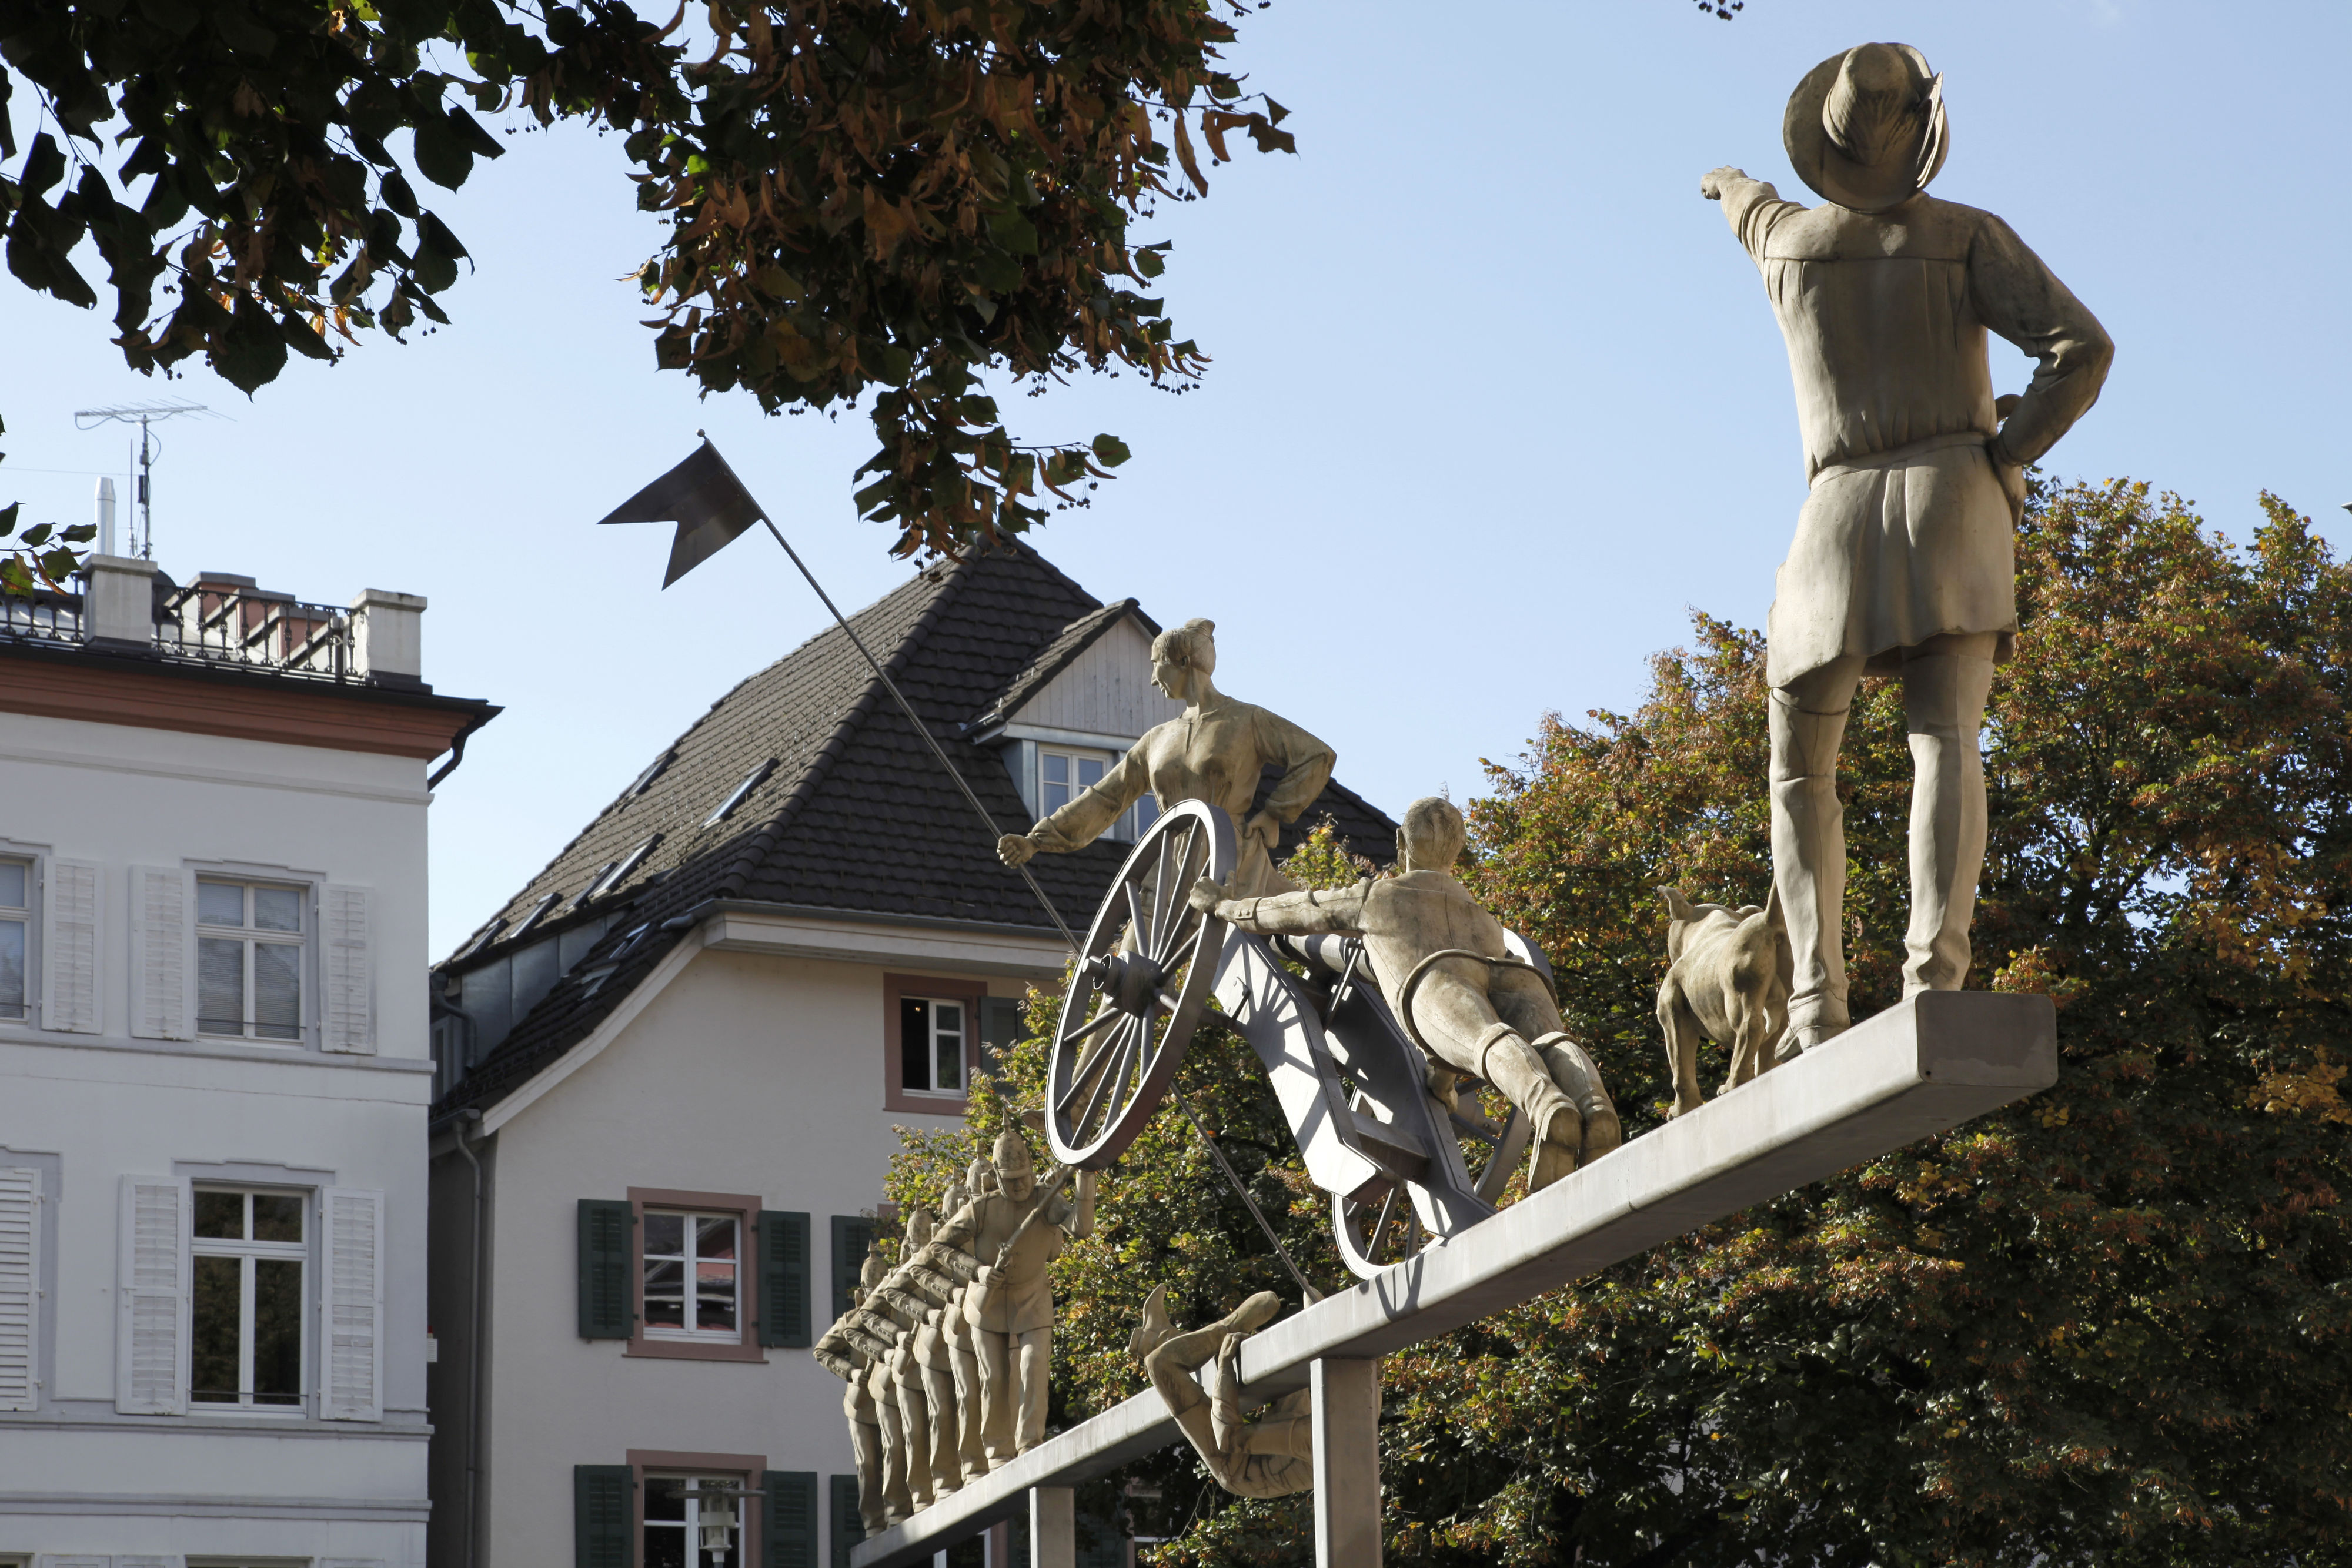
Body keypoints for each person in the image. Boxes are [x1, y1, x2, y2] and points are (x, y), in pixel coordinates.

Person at [1702, 43, 2111, 1055]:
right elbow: (2081, 350)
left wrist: (1726, 182)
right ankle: (1935, 971)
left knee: (1801, 772)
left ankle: (1814, 999)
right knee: (1945, 740)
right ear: (1923, 138)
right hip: (1953, 506)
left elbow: (1746, 207)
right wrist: (2006, 451)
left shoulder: (1787, 243)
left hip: (1834, 520)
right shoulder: (1968, 237)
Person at [1190, 795, 1619, 1190]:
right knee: (1553, 1039)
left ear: (1401, 841)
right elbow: (1451, 1045)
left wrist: (1225, 907)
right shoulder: (1482, 916)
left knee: (1488, 1039)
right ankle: (1596, 1107)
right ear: (1456, 852)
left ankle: (1547, 1108)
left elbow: (1296, 910)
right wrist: (1443, 1084)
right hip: (1510, 970)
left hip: (1435, 977)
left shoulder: (1377, 896)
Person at [996, 617, 1335, 900]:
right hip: (1171, 863)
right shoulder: (1157, 739)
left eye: (1156, 664)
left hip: (1231, 859)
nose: (1153, 678)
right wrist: (1036, 840)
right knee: (1132, 968)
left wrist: (1274, 813)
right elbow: (1105, 797)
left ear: (1183, 663)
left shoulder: (1247, 721)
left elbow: (1317, 755)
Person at [924, 1129, 1096, 1465]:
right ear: (996, 1177)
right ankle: (997, 1450)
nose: (1019, 1187)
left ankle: (1030, 1442)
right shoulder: (981, 1209)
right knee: (994, 1379)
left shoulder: (1046, 1200)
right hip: (987, 1303)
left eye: (1023, 1178)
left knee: (1033, 1365)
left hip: (1032, 1298)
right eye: (1010, 1180)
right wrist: (978, 1271)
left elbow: (1082, 1228)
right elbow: (939, 1247)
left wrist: (1086, 1177)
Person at [1130, 1286, 1314, 1498]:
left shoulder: (1317, 1436)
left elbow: (1229, 1438)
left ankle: (1222, 1329)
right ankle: (1162, 1338)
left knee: (1160, 1364)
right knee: (1281, 1352)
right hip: (1290, 1435)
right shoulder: (1338, 1421)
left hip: (1237, 1466)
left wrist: (1225, 1367)